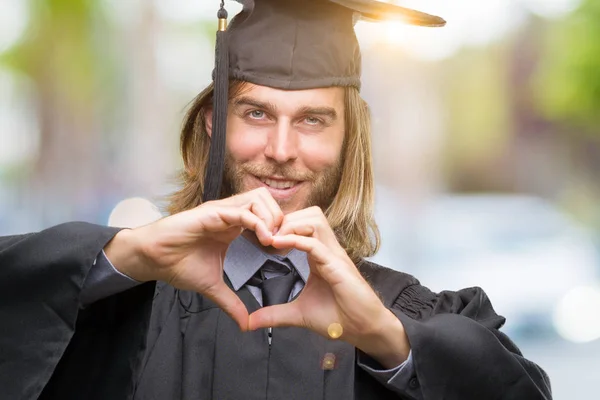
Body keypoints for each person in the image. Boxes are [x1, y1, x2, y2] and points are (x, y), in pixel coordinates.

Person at [0, 0, 552, 399]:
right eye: (256, 113)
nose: (281, 150)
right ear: (215, 123)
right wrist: (129, 258)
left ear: (347, 139)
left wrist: (387, 338)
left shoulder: (399, 316)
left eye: (313, 120)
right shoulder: (123, 301)